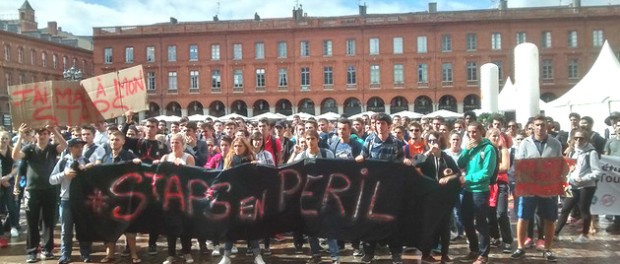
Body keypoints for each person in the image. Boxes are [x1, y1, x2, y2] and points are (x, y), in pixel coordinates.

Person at [12, 124, 67, 263]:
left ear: (49, 136)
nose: (42, 136)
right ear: (35, 136)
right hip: (33, 190)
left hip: (50, 190)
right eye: (39, 134)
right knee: (32, 222)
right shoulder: (29, 149)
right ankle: (32, 252)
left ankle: (47, 250)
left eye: (45, 134)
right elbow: (15, 155)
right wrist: (20, 136)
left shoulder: (52, 148)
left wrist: (54, 130)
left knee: (48, 222)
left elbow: (64, 145)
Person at [511, 115, 563, 262]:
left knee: (549, 218)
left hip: (548, 188)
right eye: (537, 125)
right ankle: (520, 247)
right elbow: (519, 165)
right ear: (532, 127)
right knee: (523, 217)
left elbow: (558, 164)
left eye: (542, 125)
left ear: (548, 126)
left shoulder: (556, 143)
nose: (540, 128)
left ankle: (548, 249)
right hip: (529, 187)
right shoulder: (525, 143)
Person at [355, 113, 405, 264]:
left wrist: (407, 162)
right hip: (372, 191)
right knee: (370, 221)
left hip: (391, 190)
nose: (380, 126)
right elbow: (362, 157)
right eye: (377, 123)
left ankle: (396, 253)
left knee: (392, 221)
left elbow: (402, 162)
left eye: (383, 123)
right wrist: (358, 159)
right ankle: (368, 253)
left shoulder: (397, 143)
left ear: (389, 126)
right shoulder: (369, 141)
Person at [217, 137, 265, 264]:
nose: (237, 148)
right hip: (232, 198)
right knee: (230, 227)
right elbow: (222, 176)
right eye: (236, 146)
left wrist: (256, 167)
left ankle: (257, 256)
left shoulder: (251, 159)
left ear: (245, 147)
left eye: (240, 146)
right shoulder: (229, 159)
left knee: (251, 227)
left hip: (248, 198)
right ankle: (226, 256)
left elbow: (258, 179)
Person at [418, 131, 461, 264]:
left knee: (444, 225)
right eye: (430, 141)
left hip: (444, 197)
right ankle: (425, 254)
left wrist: (448, 178)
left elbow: (457, 174)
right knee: (429, 226)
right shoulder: (425, 157)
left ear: (440, 141)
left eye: (434, 141)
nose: (432, 143)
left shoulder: (446, 157)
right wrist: (428, 152)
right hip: (429, 197)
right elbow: (415, 163)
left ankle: (445, 255)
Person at [456, 121, 496, 264]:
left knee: (481, 223)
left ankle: (483, 254)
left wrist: (467, 178)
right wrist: (466, 150)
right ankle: (474, 250)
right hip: (467, 190)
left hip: (480, 190)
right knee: (466, 221)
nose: (472, 135)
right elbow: (460, 164)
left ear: (481, 132)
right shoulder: (470, 147)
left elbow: (487, 172)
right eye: (469, 132)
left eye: (474, 132)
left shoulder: (488, 149)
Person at [49, 138, 93, 264]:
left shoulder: (86, 161)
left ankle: (85, 253)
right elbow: (51, 180)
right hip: (66, 200)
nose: (80, 148)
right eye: (77, 146)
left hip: (82, 201)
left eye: (81, 146)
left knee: (83, 228)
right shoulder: (63, 161)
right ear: (70, 148)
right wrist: (64, 174)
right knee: (66, 229)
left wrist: (87, 170)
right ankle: (65, 255)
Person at [554, 128, 601, 243]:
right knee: (565, 209)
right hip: (572, 185)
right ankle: (555, 233)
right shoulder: (572, 151)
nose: (578, 140)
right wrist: (568, 178)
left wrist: (583, 178)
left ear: (586, 139)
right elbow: (569, 168)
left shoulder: (591, 152)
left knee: (584, 209)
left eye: (581, 138)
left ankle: (584, 235)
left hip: (587, 186)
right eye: (576, 138)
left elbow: (597, 172)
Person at [158, 133, 196, 264]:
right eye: (172, 143)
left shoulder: (188, 157)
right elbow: (159, 175)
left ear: (183, 144)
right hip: (168, 197)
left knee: (186, 225)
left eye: (177, 143)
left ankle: (187, 252)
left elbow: (193, 175)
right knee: (170, 226)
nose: (174, 145)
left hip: (184, 197)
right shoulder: (165, 157)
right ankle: (171, 254)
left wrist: (182, 167)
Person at [486, 128, 514, 254]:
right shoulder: (485, 150)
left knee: (501, 213)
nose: (496, 138)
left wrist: (490, 170)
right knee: (490, 213)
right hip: (487, 184)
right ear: (488, 137)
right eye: (493, 136)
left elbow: (505, 167)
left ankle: (507, 240)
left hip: (501, 184)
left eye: (498, 136)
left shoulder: (503, 150)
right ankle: (495, 236)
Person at [0, 131, 18, 238]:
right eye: (2, 138)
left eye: (6, 138)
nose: (4, 140)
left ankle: (13, 226)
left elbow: (17, 167)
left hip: (9, 181)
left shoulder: (12, 151)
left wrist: (8, 177)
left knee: (11, 205)